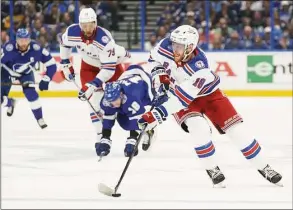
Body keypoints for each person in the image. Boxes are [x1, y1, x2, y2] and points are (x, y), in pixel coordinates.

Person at [138, 25, 282, 187]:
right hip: (179, 95)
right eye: (174, 44)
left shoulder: (200, 67)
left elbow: (181, 99)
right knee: (198, 128)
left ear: (190, 48)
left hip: (207, 96)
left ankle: (264, 166)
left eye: (179, 46)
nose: (174, 49)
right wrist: (161, 74)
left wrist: (157, 115)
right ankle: (212, 168)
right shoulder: (166, 45)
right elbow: (153, 60)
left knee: (237, 132)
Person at [59, 7, 131, 141]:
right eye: (84, 25)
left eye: (90, 25)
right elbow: (64, 44)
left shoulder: (104, 39)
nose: (87, 29)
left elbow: (108, 69)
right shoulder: (72, 32)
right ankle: (101, 135)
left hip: (111, 66)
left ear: (95, 23)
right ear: (80, 25)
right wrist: (65, 64)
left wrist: (93, 85)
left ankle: (135, 129)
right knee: (94, 101)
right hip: (89, 66)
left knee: (124, 100)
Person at [96, 64, 158, 158]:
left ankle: (150, 129)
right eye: (110, 102)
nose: (113, 104)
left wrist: (132, 140)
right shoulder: (107, 101)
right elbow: (108, 118)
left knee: (141, 120)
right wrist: (105, 137)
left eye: (115, 100)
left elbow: (137, 120)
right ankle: (147, 129)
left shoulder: (131, 99)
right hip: (130, 80)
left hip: (144, 93)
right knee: (123, 121)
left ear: (121, 94)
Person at [1, 28, 57, 129]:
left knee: (32, 95)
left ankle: (39, 118)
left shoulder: (36, 49)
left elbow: (52, 64)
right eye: (21, 40)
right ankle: (10, 101)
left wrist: (47, 79)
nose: (23, 43)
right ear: (16, 40)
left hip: (26, 74)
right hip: (7, 72)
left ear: (29, 40)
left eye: (26, 40)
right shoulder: (7, 48)